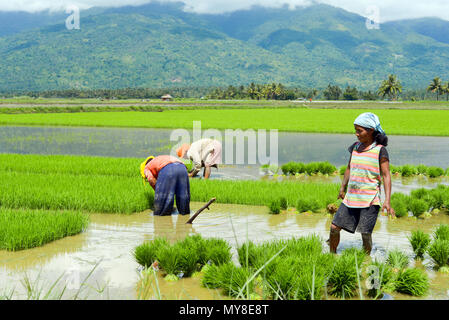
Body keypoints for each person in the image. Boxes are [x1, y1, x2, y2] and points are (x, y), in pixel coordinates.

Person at [328, 112, 396, 255]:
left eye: (360, 131)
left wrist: (387, 201)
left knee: (365, 234)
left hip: (370, 200)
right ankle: (331, 256)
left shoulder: (380, 150)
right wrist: (342, 187)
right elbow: (349, 167)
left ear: (371, 131)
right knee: (334, 228)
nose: (357, 134)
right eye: (356, 130)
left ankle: (365, 260)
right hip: (351, 198)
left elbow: (386, 176)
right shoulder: (355, 147)